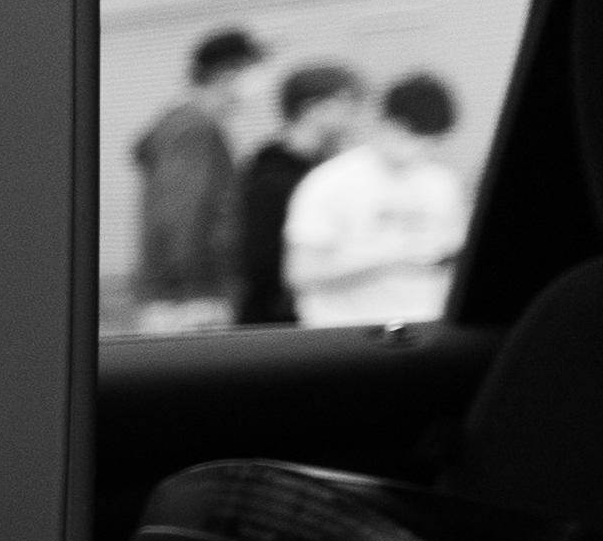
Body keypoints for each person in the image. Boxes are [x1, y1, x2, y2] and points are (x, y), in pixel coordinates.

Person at [284, 70, 472, 328]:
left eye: (431, 141)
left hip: (423, 326)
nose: (418, 149)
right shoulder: (329, 182)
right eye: (410, 135)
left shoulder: (443, 183)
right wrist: (387, 259)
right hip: (348, 331)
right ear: (385, 123)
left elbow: (454, 252)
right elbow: (301, 273)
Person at [126, 26, 265, 333]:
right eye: (254, 71)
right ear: (227, 73)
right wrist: (195, 292)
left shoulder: (187, 126)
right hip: (191, 299)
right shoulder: (195, 130)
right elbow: (184, 214)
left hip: (183, 295)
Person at [231, 58, 365, 326]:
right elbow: (263, 269)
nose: (354, 120)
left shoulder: (328, 174)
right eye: (347, 108)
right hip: (279, 327)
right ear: (313, 109)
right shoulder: (271, 181)